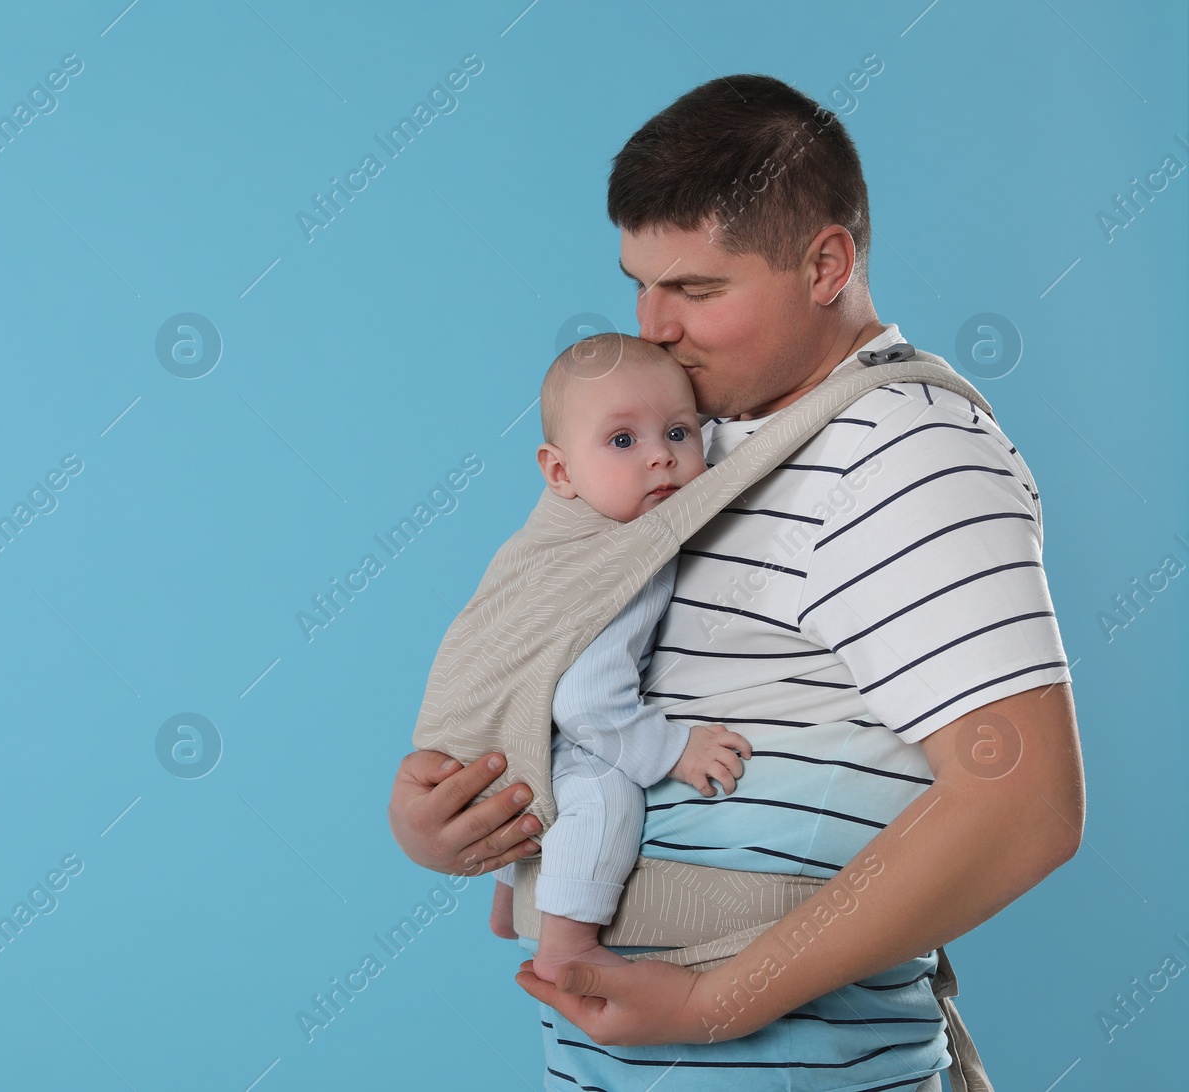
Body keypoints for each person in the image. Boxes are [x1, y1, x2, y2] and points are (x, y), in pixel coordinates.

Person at [387, 73, 1083, 1090]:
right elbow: (566, 683)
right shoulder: (680, 446)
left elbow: (1024, 804)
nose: (652, 324)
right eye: (639, 282)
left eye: (697, 290)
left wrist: (720, 1005)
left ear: (825, 263)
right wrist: (455, 819)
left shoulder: (908, 455)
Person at [484, 334, 754, 984]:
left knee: (536, 801)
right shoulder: (627, 558)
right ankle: (567, 944)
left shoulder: (553, 542)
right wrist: (674, 752)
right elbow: (588, 703)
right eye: (623, 441)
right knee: (609, 796)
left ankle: (507, 900)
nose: (662, 456)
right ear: (560, 472)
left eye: (681, 433)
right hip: (561, 742)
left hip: (510, 742)